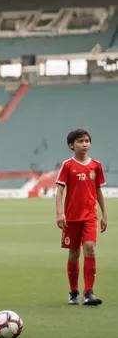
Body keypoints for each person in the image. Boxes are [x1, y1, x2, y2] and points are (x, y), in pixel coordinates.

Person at [56, 128, 107, 306]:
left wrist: (104, 214)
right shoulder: (68, 166)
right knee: (74, 253)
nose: (85, 144)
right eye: (80, 141)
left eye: (87, 141)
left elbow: (98, 190)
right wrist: (59, 213)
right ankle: (73, 292)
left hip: (90, 216)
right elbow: (60, 190)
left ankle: (89, 293)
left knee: (90, 248)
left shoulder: (96, 166)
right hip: (71, 218)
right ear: (72, 145)